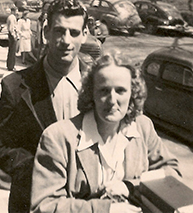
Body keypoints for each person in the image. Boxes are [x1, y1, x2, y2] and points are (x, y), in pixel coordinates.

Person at [31, 52, 181, 213]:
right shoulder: (58, 137)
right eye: (103, 91)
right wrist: (105, 210)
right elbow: (44, 206)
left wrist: (130, 187)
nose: (112, 100)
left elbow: (170, 173)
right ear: (91, 93)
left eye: (121, 91)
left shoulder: (142, 127)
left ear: (133, 93)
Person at [0, 0, 90, 213]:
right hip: (32, 203)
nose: (66, 41)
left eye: (74, 32)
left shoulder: (100, 83)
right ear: (46, 33)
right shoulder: (16, 86)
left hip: (87, 203)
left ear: (85, 34)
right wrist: (37, 169)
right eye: (59, 31)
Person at [6, 6, 19, 71]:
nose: (17, 12)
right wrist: (14, 36)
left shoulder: (11, 17)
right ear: (13, 11)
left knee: (11, 50)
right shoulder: (12, 18)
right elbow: (11, 28)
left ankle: (10, 65)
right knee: (12, 51)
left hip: (11, 35)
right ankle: (11, 66)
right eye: (16, 11)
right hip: (12, 35)